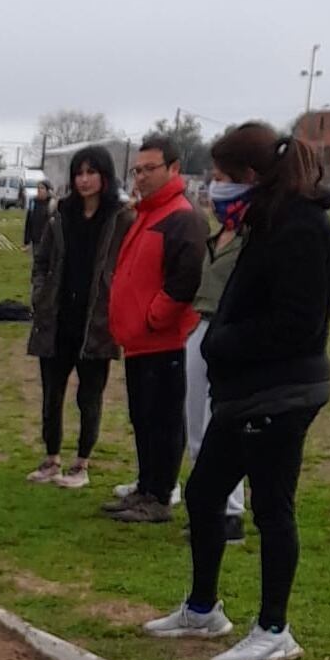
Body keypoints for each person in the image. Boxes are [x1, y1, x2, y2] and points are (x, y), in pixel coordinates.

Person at [143, 124, 330, 660]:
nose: (215, 187)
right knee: (204, 494)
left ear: (252, 176)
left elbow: (296, 323)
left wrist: (223, 342)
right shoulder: (264, 219)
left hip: (283, 389)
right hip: (247, 389)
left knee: (273, 507)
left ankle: (275, 628)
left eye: (223, 177)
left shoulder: (303, 229)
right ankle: (203, 609)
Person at [103, 136, 207, 524]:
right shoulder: (146, 213)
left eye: (150, 169)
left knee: (163, 420)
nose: (142, 177)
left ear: (174, 169)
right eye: (138, 169)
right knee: (143, 417)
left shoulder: (182, 216)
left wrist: (153, 317)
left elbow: (186, 278)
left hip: (164, 341)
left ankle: (160, 494)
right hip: (139, 341)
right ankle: (146, 486)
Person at [26, 148, 133, 490]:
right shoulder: (61, 215)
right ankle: (51, 457)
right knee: (51, 393)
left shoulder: (121, 218)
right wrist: (40, 295)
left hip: (97, 322)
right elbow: (41, 261)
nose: (84, 180)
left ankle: (81, 462)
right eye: (78, 173)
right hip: (57, 319)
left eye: (91, 172)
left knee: (90, 395)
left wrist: (116, 301)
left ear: (105, 175)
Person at [180, 167, 251, 543]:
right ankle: (204, 504)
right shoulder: (216, 235)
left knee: (220, 424)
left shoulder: (250, 238)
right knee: (194, 422)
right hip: (201, 325)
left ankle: (230, 512)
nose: (215, 185)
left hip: (230, 332)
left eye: (224, 177)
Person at [22, 179, 54, 258]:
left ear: (48, 190)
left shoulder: (52, 203)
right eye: (38, 188)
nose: (39, 190)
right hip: (36, 240)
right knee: (37, 263)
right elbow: (29, 222)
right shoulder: (33, 202)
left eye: (42, 188)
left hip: (49, 241)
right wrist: (27, 241)